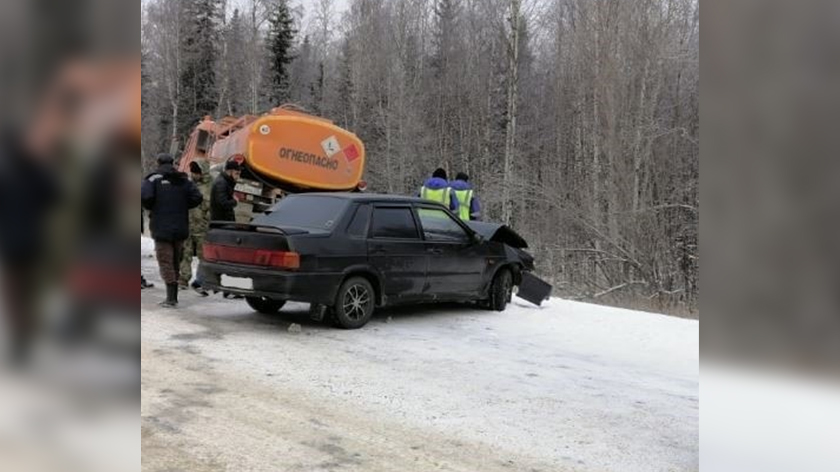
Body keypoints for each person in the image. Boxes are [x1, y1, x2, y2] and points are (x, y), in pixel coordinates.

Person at [141, 153, 203, 308]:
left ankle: (171, 298)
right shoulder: (183, 179)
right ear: (173, 163)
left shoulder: (153, 179)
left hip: (161, 226)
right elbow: (197, 197)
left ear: (158, 162)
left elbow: (145, 197)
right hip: (180, 226)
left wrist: (155, 206)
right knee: (176, 259)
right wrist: (182, 205)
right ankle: (173, 295)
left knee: (165, 261)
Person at [179, 161, 212, 295]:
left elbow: (212, 206)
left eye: (196, 173)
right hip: (188, 224)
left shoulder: (211, 186)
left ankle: (201, 281)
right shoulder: (189, 184)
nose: (193, 175)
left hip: (203, 227)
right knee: (185, 254)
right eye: (192, 172)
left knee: (203, 256)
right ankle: (183, 279)